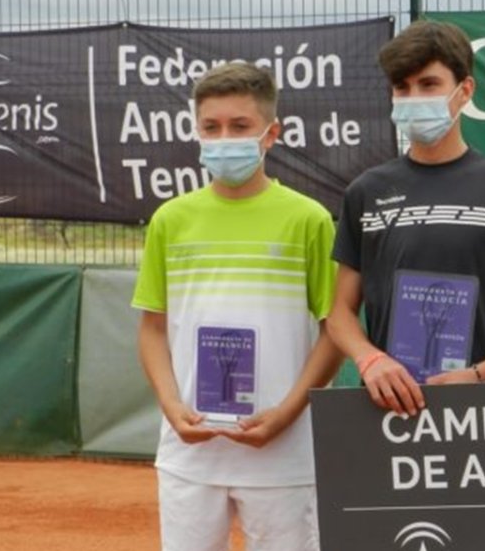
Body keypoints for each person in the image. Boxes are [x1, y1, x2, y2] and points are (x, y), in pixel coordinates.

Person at [134, 62, 342, 551]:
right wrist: (171, 407)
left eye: (240, 126)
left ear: (272, 134)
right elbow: (151, 328)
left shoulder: (309, 219)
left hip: (284, 455)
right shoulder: (170, 219)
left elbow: (335, 330)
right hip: (190, 453)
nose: (223, 138)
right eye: (211, 127)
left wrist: (287, 413)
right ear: (197, 132)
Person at [326, 19, 485, 415]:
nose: (413, 97)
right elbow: (339, 313)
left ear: (464, 90)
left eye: (429, 84)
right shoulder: (366, 191)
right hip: (386, 409)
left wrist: (484, 374)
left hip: (478, 409)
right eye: (402, 87)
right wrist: (370, 359)